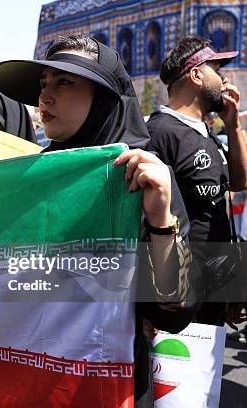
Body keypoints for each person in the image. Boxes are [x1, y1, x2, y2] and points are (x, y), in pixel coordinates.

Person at [0, 34, 196, 406]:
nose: (45, 97)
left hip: (102, 389)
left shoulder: (143, 176)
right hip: (19, 380)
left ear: (103, 97)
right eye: (43, 84)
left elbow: (175, 311)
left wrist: (160, 219)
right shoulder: (26, 174)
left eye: (65, 81)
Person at [146, 37, 247, 328]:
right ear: (196, 75)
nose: (224, 79)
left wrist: (233, 126)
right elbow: (144, 224)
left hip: (212, 290)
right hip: (179, 300)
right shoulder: (160, 134)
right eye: (217, 68)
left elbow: (238, 182)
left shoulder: (205, 132)